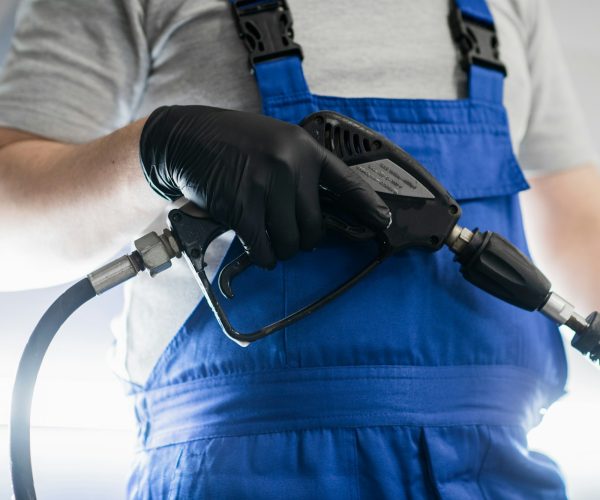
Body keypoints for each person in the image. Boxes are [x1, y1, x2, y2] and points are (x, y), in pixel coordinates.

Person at [0, 0, 598, 497]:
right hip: (239, 478)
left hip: (497, 478)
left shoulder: (510, 7)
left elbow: (578, 222)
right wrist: (157, 153)